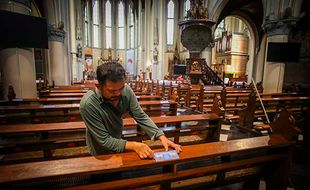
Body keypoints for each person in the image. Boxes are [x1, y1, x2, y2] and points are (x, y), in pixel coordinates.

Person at [80, 61, 182, 159]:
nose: (118, 94)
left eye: (121, 88)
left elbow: (140, 116)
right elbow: (104, 140)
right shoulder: (88, 104)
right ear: (99, 86)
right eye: (112, 91)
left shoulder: (126, 91)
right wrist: (134, 145)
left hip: (117, 137)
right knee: (101, 174)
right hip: (99, 150)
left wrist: (161, 136)